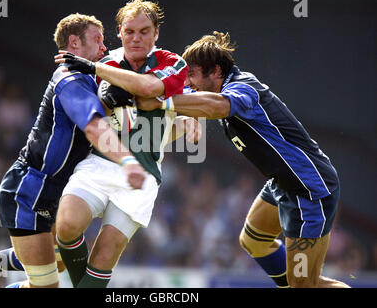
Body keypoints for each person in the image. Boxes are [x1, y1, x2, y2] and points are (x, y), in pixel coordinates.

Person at [135, 31, 349, 288]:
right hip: (282, 183)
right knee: (254, 240)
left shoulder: (244, 86)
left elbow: (216, 107)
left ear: (215, 71)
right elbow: (191, 102)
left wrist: (163, 102)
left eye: (191, 74)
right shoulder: (216, 88)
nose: (187, 82)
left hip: (308, 189)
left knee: (305, 285)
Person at [0, 13, 146, 288]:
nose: (104, 48)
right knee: (45, 284)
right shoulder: (70, 77)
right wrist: (128, 161)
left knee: (54, 261)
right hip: (29, 193)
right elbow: (93, 127)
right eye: (98, 40)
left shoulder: (93, 79)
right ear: (74, 44)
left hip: (55, 194)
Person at [52, 0, 199, 288]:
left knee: (104, 255)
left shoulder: (173, 63)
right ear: (119, 32)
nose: (136, 38)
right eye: (129, 31)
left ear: (156, 33)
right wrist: (106, 99)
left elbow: (148, 89)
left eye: (144, 31)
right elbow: (91, 113)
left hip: (142, 174)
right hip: (100, 163)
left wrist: (186, 123)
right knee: (66, 226)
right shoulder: (106, 61)